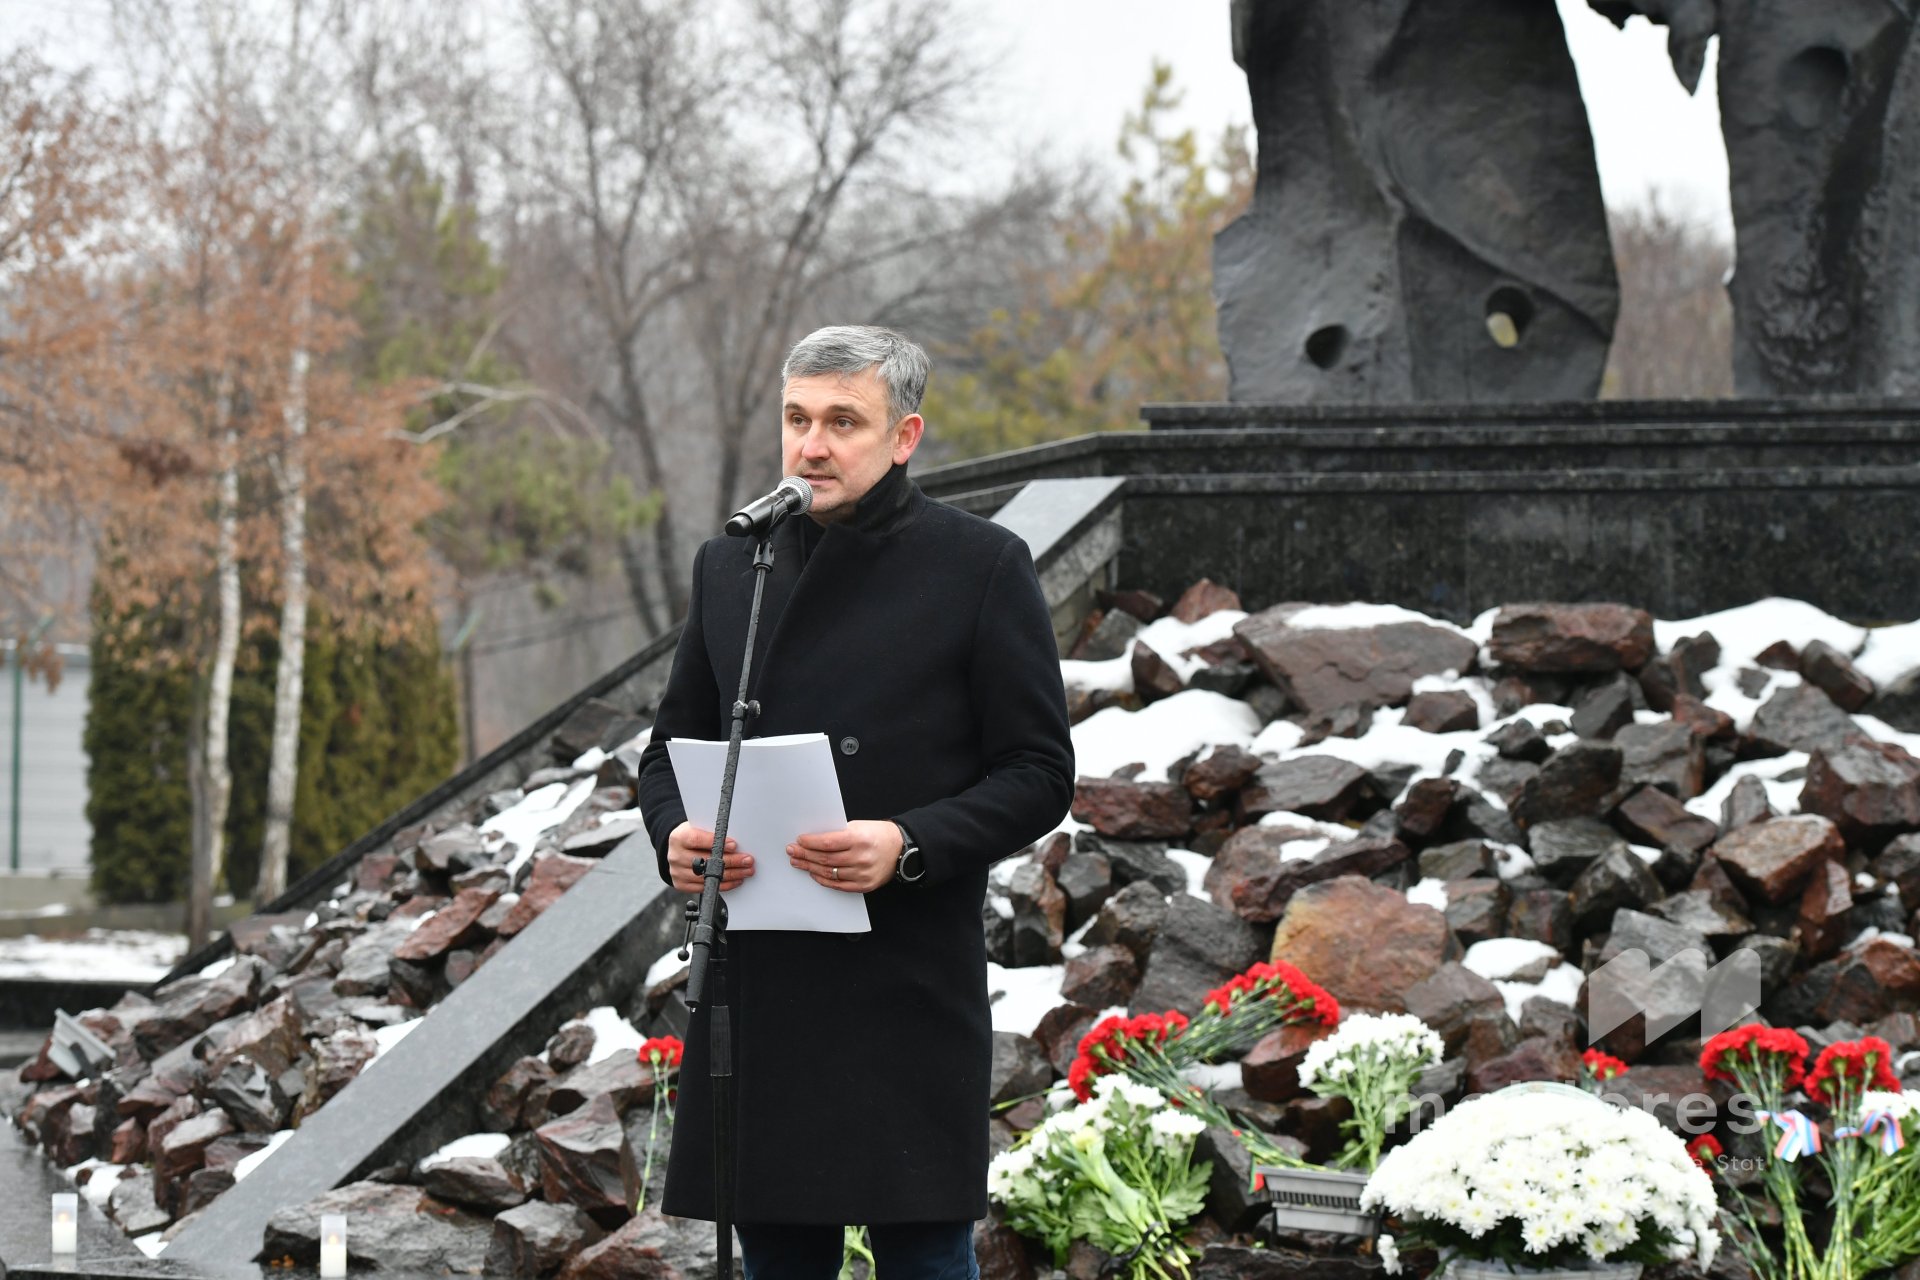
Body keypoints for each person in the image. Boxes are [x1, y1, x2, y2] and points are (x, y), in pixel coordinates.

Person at [635, 325, 1076, 1279]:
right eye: (797, 419)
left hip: (903, 982)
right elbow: (667, 750)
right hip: (763, 985)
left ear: (904, 436)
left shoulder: (980, 565)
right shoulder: (733, 565)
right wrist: (676, 833)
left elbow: (1039, 770)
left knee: (925, 1260)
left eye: (843, 422)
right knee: (779, 1263)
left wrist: (907, 842)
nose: (812, 445)